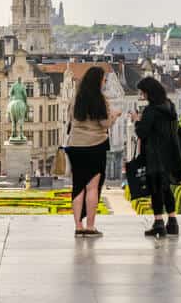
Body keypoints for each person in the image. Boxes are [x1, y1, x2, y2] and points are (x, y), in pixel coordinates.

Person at [64, 66, 120, 238]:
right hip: (96, 146)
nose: (104, 83)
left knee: (78, 186)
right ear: (97, 81)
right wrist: (115, 116)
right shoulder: (100, 100)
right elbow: (104, 123)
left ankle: (78, 226)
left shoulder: (76, 99)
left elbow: (69, 120)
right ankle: (90, 226)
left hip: (75, 146)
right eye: (103, 80)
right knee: (92, 187)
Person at [129, 76, 181, 238]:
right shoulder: (169, 106)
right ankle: (173, 222)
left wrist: (136, 120)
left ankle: (159, 223)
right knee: (166, 188)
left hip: (154, 155)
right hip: (170, 154)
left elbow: (142, 132)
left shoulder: (151, 111)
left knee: (155, 190)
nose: (142, 95)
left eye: (143, 92)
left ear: (149, 93)